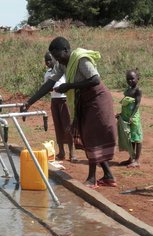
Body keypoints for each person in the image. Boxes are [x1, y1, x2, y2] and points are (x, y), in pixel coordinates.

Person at [23, 37, 117, 188]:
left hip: (97, 99)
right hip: (84, 100)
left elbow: (95, 80)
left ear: (66, 50)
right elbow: (50, 83)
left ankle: (92, 178)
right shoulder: (63, 65)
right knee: (86, 135)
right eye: (54, 57)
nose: (57, 59)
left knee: (89, 135)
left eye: (58, 55)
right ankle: (108, 175)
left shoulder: (80, 59)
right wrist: (29, 102)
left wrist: (70, 86)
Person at [43, 51, 77, 162]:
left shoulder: (63, 71)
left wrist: (61, 88)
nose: (48, 62)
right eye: (46, 60)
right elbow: (47, 88)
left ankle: (72, 153)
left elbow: (68, 84)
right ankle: (61, 151)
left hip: (64, 100)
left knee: (67, 126)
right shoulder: (47, 74)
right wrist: (52, 89)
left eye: (49, 59)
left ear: (55, 60)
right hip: (54, 101)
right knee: (58, 126)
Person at [117, 69, 143, 168]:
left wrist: (132, 116)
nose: (130, 81)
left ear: (138, 78)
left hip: (134, 116)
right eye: (128, 79)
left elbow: (137, 105)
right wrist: (121, 114)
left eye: (132, 79)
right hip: (126, 116)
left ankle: (137, 160)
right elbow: (125, 103)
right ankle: (131, 158)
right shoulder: (128, 89)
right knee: (130, 137)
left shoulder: (138, 90)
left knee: (137, 138)